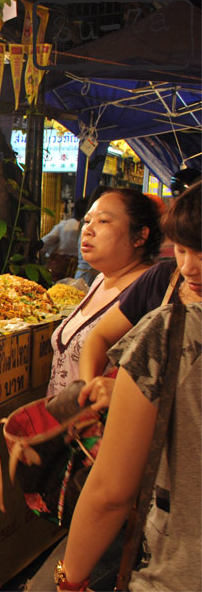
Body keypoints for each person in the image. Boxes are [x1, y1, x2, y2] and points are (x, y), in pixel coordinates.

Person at [53, 301, 201, 592]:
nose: (188, 267)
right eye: (182, 252)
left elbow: (111, 491)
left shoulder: (173, 329)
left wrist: (69, 582)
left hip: (175, 573)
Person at [78, 182, 200, 410]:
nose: (188, 268)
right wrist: (91, 390)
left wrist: (131, 394)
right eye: (181, 250)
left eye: (201, 255)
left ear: (140, 236)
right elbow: (99, 337)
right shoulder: (164, 278)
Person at [46, 188, 162, 398]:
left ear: (140, 236)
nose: (88, 230)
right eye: (88, 221)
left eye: (103, 221)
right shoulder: (101, 279)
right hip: (64, 422)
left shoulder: (148, 290)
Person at [41, 199, 85, 281]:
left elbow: (46, 241)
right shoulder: (88, 228)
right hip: (79, 269)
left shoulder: (65, 225)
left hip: (60, 267)